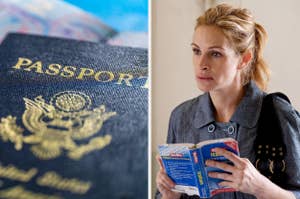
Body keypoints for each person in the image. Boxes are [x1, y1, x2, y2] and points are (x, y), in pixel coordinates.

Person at [155, 3, 300, 199]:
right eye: (196, 51)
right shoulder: (181, 117)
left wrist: (260, 187)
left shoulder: (280, 114)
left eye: (215, 54)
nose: (202, 64)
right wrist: (169, 195)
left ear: (244, 59)